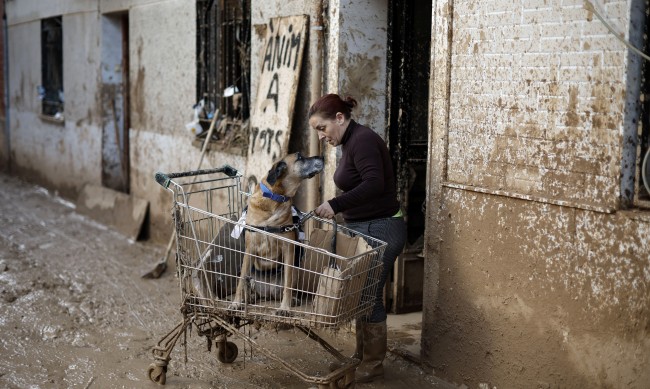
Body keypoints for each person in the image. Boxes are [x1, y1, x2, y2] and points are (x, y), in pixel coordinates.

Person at [309, 93, 407, 383]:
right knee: (360, 295)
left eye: (322, 128)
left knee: (367, 296)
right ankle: (361, 357)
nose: (320, 136)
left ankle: (373, 364)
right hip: (365, 227)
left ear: (339, 118)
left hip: (381, 227)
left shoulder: (362, 140)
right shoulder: (350, 141)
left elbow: (374, 183)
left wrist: (335, 204)